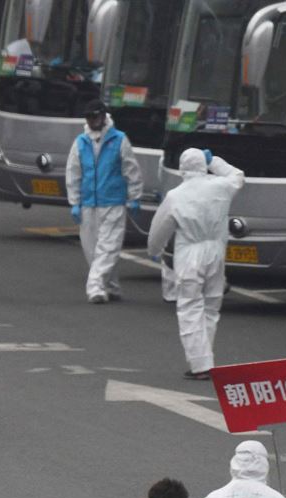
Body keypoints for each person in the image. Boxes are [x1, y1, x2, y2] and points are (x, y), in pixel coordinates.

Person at [146, 148, 246, 380]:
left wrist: (154, 250)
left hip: (190, 253)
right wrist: (216, 161)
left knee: (190, 308)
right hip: (216, 252)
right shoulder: (221, 186)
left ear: (182, 169)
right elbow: (238, 175)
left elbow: (159, 229)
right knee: (211, 308)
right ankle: (205, 358)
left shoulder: (176, 196)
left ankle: (200, 364)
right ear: (204, 165)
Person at [65, 100, 142, 304]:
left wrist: (134, 196)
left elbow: (131, 170)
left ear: (104, 116)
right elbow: (73, 173)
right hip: (89, 204)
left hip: (113, 202)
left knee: (109, 246)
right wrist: (75, 201)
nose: (92, 121)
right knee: (92, 250)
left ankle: (95, 287)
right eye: (89, 118)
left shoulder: (119, 140)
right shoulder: (81, 142)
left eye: (95, 117)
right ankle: (111, 285)